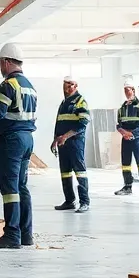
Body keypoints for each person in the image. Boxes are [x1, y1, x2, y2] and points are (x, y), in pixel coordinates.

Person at [0, 43, 37, 249]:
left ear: (6, 62)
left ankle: (12, 235)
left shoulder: (9, 84)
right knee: (21, 187)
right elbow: (9, 107)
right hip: (27, 139)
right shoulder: (28, 85)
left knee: (10, 189)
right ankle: (26, 234)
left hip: (12, 141)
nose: (1, 67)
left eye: (1, 63)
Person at [52, 76, 91, 213]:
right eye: (66, 84)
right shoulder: (64, 103)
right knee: (65, 173)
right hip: (63, 144)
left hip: (75, 143)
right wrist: (55, 139)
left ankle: (84, 202)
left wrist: (66, 136)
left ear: (76, 86)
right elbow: (59, 122)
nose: (68, 87)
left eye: (71, 84)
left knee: (80, 172)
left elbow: (83, 123)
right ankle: (69, 201)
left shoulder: (80, 101)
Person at [113, 80, 139, 198]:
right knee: (126, 164)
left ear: (133, 90)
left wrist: (131, 133)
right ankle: (127, 186)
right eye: (124, 90)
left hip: (137, 139)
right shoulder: (122, 107)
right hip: (126, 139)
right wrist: (123, 132)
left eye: (128, 90)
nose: (126, 92)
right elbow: (119, 124)